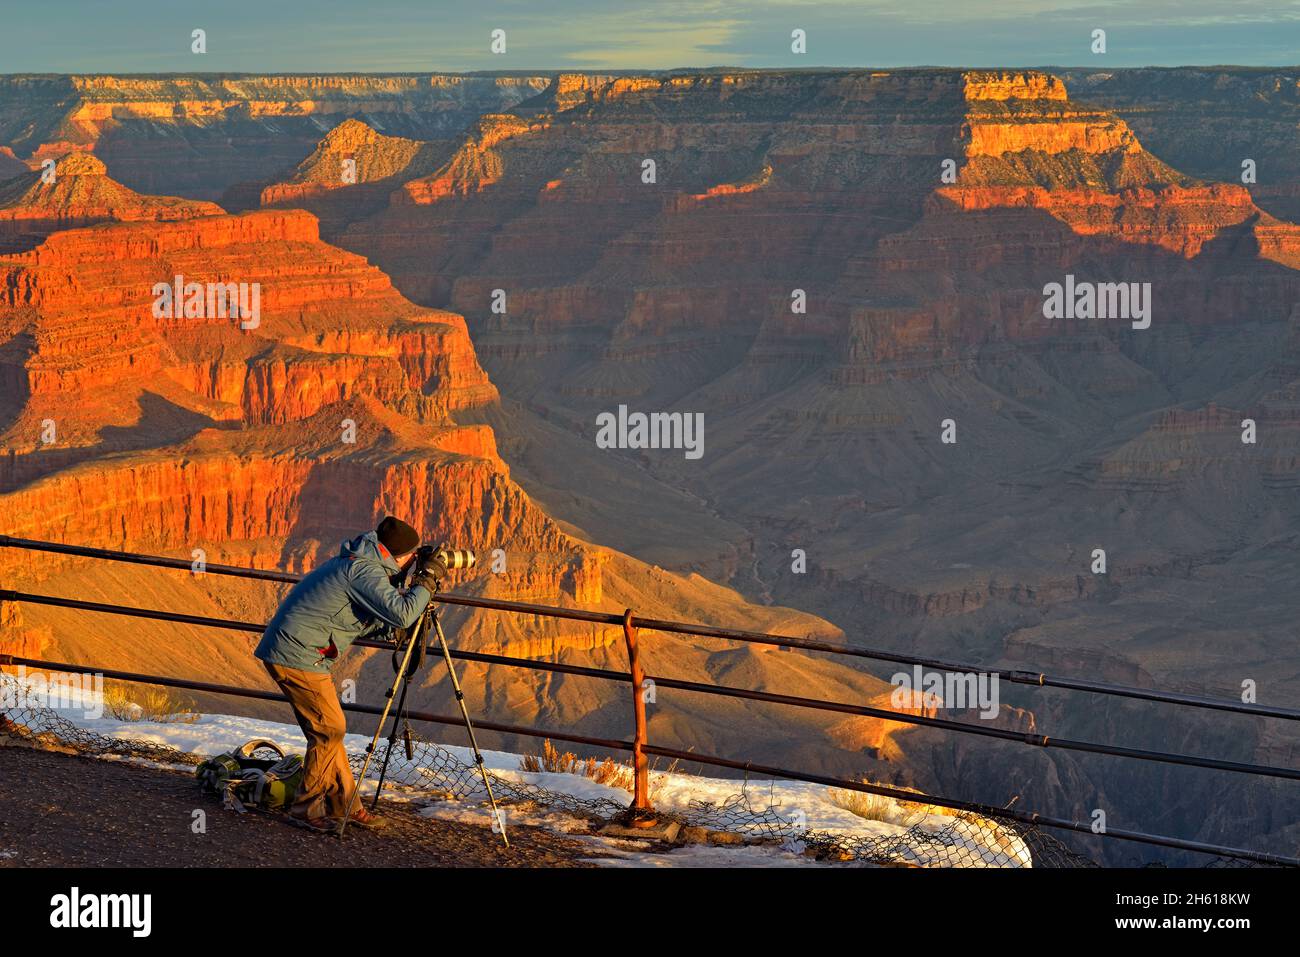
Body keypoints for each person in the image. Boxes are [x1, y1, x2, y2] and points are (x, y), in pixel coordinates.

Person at [254, 516, 438, 832]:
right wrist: (427, 580)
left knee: (329, 731)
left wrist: (400, 622)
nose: (414, 560)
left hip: (298, 652)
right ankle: (305, 808)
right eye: (412, 555)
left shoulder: (363, 562)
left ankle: (346, 807)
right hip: (296, 655)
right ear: (400, 556)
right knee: (329, 729)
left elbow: (365, 617)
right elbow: (404, 612)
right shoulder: (364, 570)